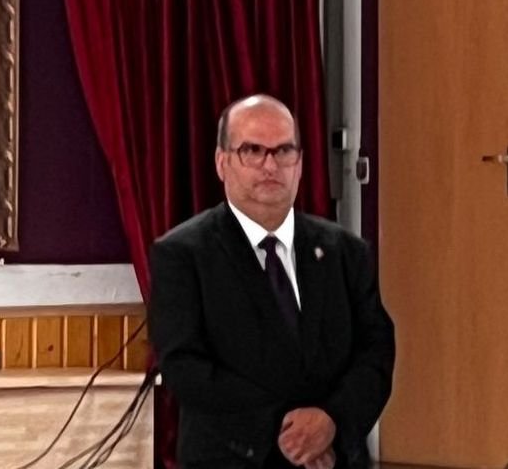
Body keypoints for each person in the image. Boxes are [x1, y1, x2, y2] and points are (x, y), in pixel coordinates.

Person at [149, 95, 395, 469]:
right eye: (252, 150)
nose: (270, 165)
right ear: (222, 162)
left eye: (283, 151)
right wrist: (290, 433)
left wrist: (331, 422)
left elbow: (375, 350)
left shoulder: (346, 252)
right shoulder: (183, 255)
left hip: (333, 458)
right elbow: (185, 367)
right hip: (232, 458)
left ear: (300, 163)